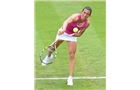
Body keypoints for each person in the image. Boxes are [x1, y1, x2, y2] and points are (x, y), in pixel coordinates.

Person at [42, 6, 92, 86]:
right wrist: (63, 30)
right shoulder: (75, 17)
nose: (85, 15)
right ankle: (48, 57)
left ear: (89, 16)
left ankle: (70, 77)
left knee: (72, 55)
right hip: (63, 32)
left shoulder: (87, 23)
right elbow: (66, 21)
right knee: (52, 47)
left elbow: (80, 34)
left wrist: (74, 34)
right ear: (82, 12)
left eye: (87, 14)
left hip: (72, 36)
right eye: (84, 12)